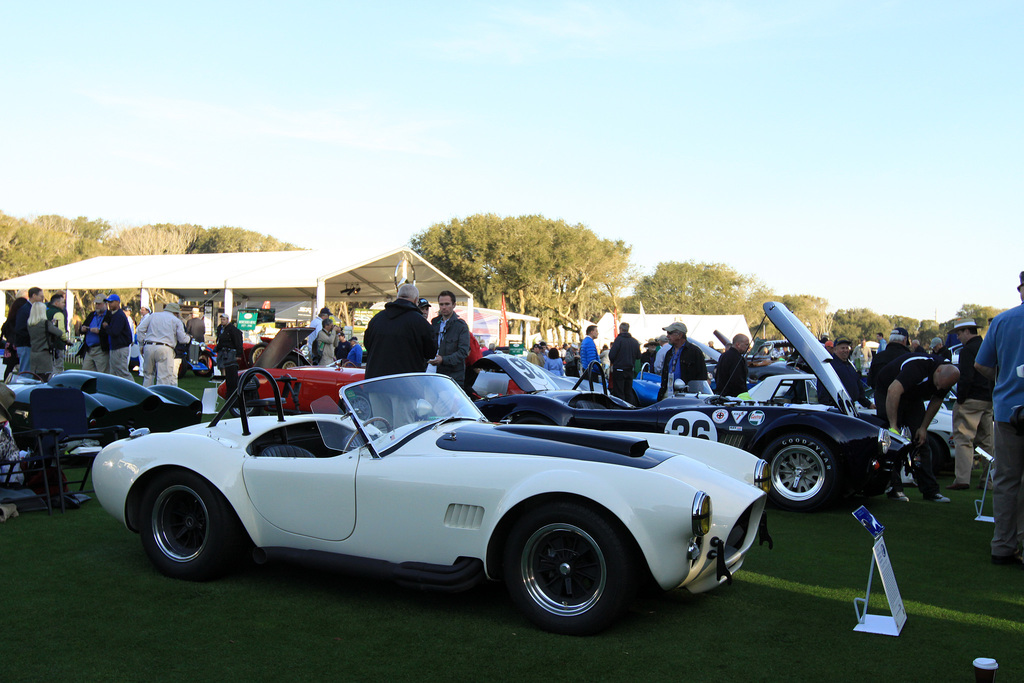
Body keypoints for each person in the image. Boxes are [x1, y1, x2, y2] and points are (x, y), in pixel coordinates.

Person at [974, 271, 1024, 565]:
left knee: (1006, 480)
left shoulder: (1003, 321)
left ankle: (1003, 545)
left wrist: (1004, 378)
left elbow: (981, 364)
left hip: (1009, 412)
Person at [875, 353, 959, 503]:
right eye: (937, 385)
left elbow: (936, 400)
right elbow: (893, 391)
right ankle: (894, 488)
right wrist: (893, 425)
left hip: (913, 397)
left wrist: (923, 428)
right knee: (893, 441)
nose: (938, 388)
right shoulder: (917, 367)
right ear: (937, 372)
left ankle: (931, 491)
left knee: (921, 443)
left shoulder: (947, 378)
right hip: (888, 391)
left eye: (941, 387)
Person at [947, 318, 993, 490]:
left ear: (967, 331)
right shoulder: (988, 347)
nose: (958, 337)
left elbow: (966, 377)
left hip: (970, 400)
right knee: (987, 442)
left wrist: (960, 399)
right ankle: (988, 480)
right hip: (987, 399)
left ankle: (962, 479)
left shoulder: (967, 351)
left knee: (963, 440)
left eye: (959, 333)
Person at [363, 284, 437, 379]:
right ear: (416, 300)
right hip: (407, 384)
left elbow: (367, 344)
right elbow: (431, 352)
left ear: (398, 297)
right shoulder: (420, 323)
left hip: (376, 382)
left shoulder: (376, 319)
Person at [136, 302, 191, 386]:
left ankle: (147, 396)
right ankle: (161, 397)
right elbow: (182, 339)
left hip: (149, 346)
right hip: (165, 348)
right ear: (175, 313)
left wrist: (142, 344)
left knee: (148, 376)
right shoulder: (176, 320)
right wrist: (188, 338)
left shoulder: (153, 316)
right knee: (163, 377)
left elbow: (140, 329)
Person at [429, 290, 471, 385]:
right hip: (434, 374)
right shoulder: (434, 323)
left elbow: (463, 352)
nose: (444, 307)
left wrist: (443, 359)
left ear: (454, 305)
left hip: (453, 377)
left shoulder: (461, 326)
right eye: (441, 304)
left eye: (447, 304)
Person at [658, 322, 709, 400]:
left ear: (680, 335)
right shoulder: (669, 353)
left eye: (670, 333)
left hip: (687, 395)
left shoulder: (694, 351)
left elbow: (702, 376)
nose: (667, 336)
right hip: (669, 392)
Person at [818, 338, 872, 409]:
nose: (846, 350)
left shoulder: (849, 366)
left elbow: (859, 389)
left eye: (847, 348)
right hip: (837, 410)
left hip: (850, 408)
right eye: (842, 348)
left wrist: (868, 404)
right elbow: (823, 392)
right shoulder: (830, 366)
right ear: (835, 350)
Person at [27, 301, 66, 379]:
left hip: (33, 353)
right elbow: (59, 333)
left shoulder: (30, 324)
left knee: (35, 378)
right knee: (44, 377)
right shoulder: (45, 323)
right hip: (44, 354)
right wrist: (52, 325)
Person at [14, 287, 45, 374]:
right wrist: (33, 337)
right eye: (41, 296)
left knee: (29, 371)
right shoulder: (25, 310)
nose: (42, 299)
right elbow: (20, 328)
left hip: (28, 344)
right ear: (34, 296)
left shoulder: (30, 309)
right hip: (25, 344)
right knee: (26, 371)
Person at [608, 322, 641, 403]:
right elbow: (638, 356)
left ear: (620, 329)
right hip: (629, 370)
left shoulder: (619, 340)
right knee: (628, 391)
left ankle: (621, 410)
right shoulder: (634, 342)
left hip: (619, 369)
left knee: (619, 392)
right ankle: (629, 409)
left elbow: (611, 355)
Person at [102, 294, 133, 379]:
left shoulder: (119, 315)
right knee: (114, 373)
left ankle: (133, 389)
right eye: (109, 302)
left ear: (118, 302)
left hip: (120, 348)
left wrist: (106, 327)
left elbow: (115, 332)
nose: (109, 304)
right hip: (115, 347)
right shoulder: (114, 314)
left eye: (111, 302)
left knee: (122, 372)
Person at [1, 290, 29, 381]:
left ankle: (6, 382)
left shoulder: (10, 320)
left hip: (10, 345)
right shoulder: (21, 320)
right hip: (19, 344)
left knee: (9, 367)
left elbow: (4, 330)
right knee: (23, 366)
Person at [79, 296, 110, 373]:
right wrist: (83, 329)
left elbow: (110, 331)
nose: (97, 306)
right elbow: (83, 326)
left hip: (101, 350)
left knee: (103, 373)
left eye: (99, 304)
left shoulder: (109, 315)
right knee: (86, 372)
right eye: (96, 304)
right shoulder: (92, 315)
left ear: (105, 304)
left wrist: (99, 332)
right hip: (89, 349)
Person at [45, 293, 71, 375]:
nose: (64, 304)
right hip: (57, 344)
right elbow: (61, 330)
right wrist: (66, 340)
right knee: (58, 367)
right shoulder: (59, 313)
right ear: (56, 303)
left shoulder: (46, 312)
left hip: (47, 343)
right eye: (62, 302)